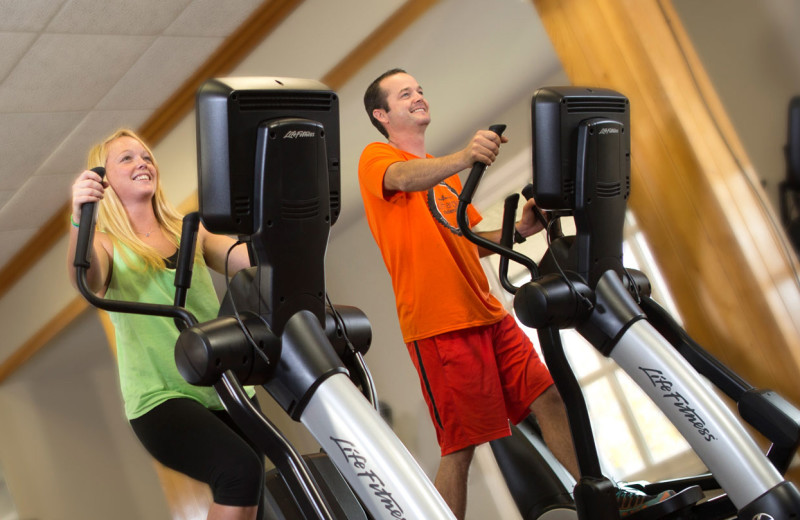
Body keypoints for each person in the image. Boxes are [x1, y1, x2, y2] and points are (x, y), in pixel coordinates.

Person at [358, 68, 674, 519]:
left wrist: (521, 230)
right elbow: (406, 180)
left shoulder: (447, 182)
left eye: (420, 90)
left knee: (548, 396)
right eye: (405, 94)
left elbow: (471, 236)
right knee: (460, 447)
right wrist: (466, 156)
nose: (418, 97)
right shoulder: (377, 158)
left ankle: (602, 495)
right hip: (440, 325)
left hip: (488, 315)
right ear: (381, 114)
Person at [67, 129, 264, 520]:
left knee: (254, 495)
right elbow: (85, 279)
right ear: (105, 181)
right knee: (239, 471)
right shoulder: (105, 244)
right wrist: (80, 218)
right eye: (126, 158)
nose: (142, 162)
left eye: (146, 156)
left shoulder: (190, 231)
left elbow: (251, 263)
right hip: (161, 397)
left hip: (225, 385)